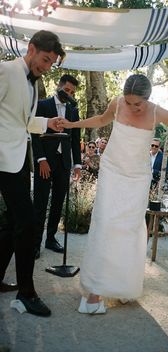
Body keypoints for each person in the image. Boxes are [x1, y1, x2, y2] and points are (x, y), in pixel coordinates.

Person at [58, 74, 168, 314]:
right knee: (105, 224)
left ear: (148, 98)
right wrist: (72, 125)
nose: (133, 107)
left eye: (138, 104)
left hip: (137, 178)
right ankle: (96, 289)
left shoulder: (157, 112)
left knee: (130, 228)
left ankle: (123, 286)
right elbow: (101, 120)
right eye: (129, 102)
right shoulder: (117, 102)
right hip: (112, 170)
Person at [0, 30, 65, 317]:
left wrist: (47, 122)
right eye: (45, 59)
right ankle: (27, 292)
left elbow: (23, 121)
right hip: (2, 160)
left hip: (16, 160)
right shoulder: (6, 71)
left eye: (51, 63)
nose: (47, 66)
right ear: (31, 48)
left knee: (11, 221)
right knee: (26, 223)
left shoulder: (33, 85)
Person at [32, 74, 81, 259]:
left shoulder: (73, 110)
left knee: (58, 202)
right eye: (66, 90)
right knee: (40, 202)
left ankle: (50, 238)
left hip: (63, 163)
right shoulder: (43, 105)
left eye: (72, 92)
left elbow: (75, 139)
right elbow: (34, 134)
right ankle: (35, 243)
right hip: (45, 162)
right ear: (58, 86)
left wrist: (77, 164)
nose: (68, 94)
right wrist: (41, 159)